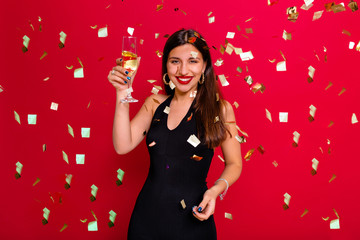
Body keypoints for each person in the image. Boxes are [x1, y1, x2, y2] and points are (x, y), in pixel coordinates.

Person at [108, 28, 242, 240]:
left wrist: (214, 191)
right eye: (175, 61)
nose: (183, 70)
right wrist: (123, 93)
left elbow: (234, 163)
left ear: (205, 65)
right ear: (166, 66)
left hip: (193, 221)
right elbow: (122, 146)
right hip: (146, 221)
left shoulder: (220, 109)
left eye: (192, 61)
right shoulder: (154, 103)